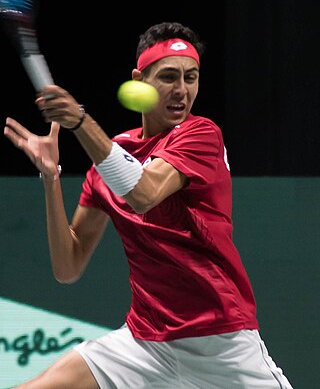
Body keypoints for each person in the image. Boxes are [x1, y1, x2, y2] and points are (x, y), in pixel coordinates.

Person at [4, 22, 293, 389]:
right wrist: (51, 177)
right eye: (169, 76)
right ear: (139, 79)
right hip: (144, 343)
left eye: (192, 77)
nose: (182, 90)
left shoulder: (201, 135)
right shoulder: (109, 159)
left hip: (220, 342)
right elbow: (68, 266)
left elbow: (143, 192)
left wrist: (79, 121)